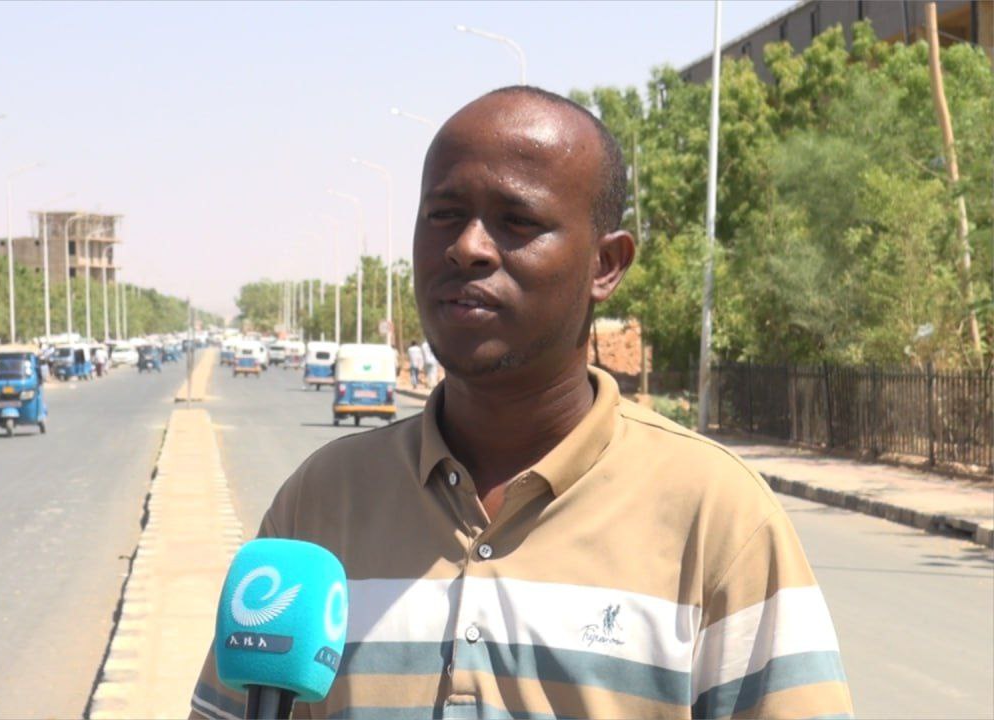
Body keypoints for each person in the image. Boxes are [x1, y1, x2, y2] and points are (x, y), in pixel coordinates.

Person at [190, 87, 852, 719]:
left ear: (606, 265)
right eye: (444, 215)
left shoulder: (717, 517)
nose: (467, 247)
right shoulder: (319, 505)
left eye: (518, 222)